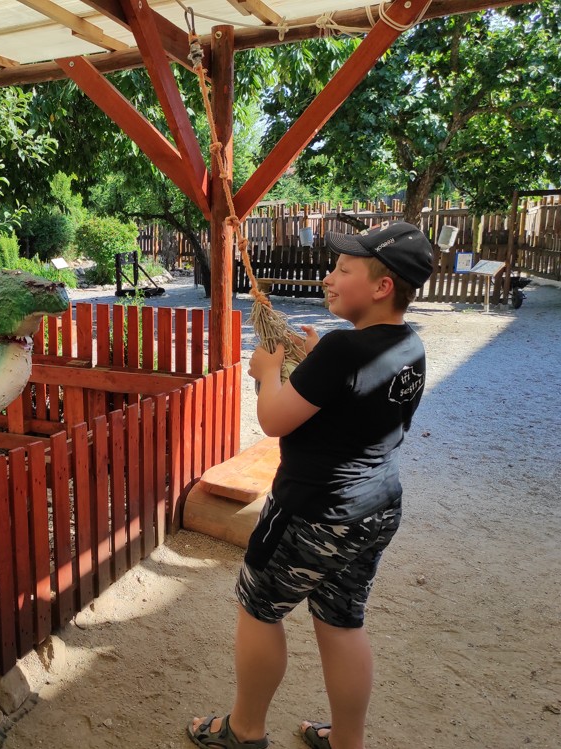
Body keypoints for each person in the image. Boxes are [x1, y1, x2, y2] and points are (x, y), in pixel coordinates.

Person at [187, 221, 434, 749]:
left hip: (313, 512)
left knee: (258, 608)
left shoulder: (342, 351)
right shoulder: (409, 345)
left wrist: (267, 372)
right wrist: (315, 358)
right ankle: (347, 742)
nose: (328, 277)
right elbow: (359, 405)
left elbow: (274, 419)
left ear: (382, 286)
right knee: (342, 621)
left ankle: (244, 730)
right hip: (377, 507)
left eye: (342, 270)